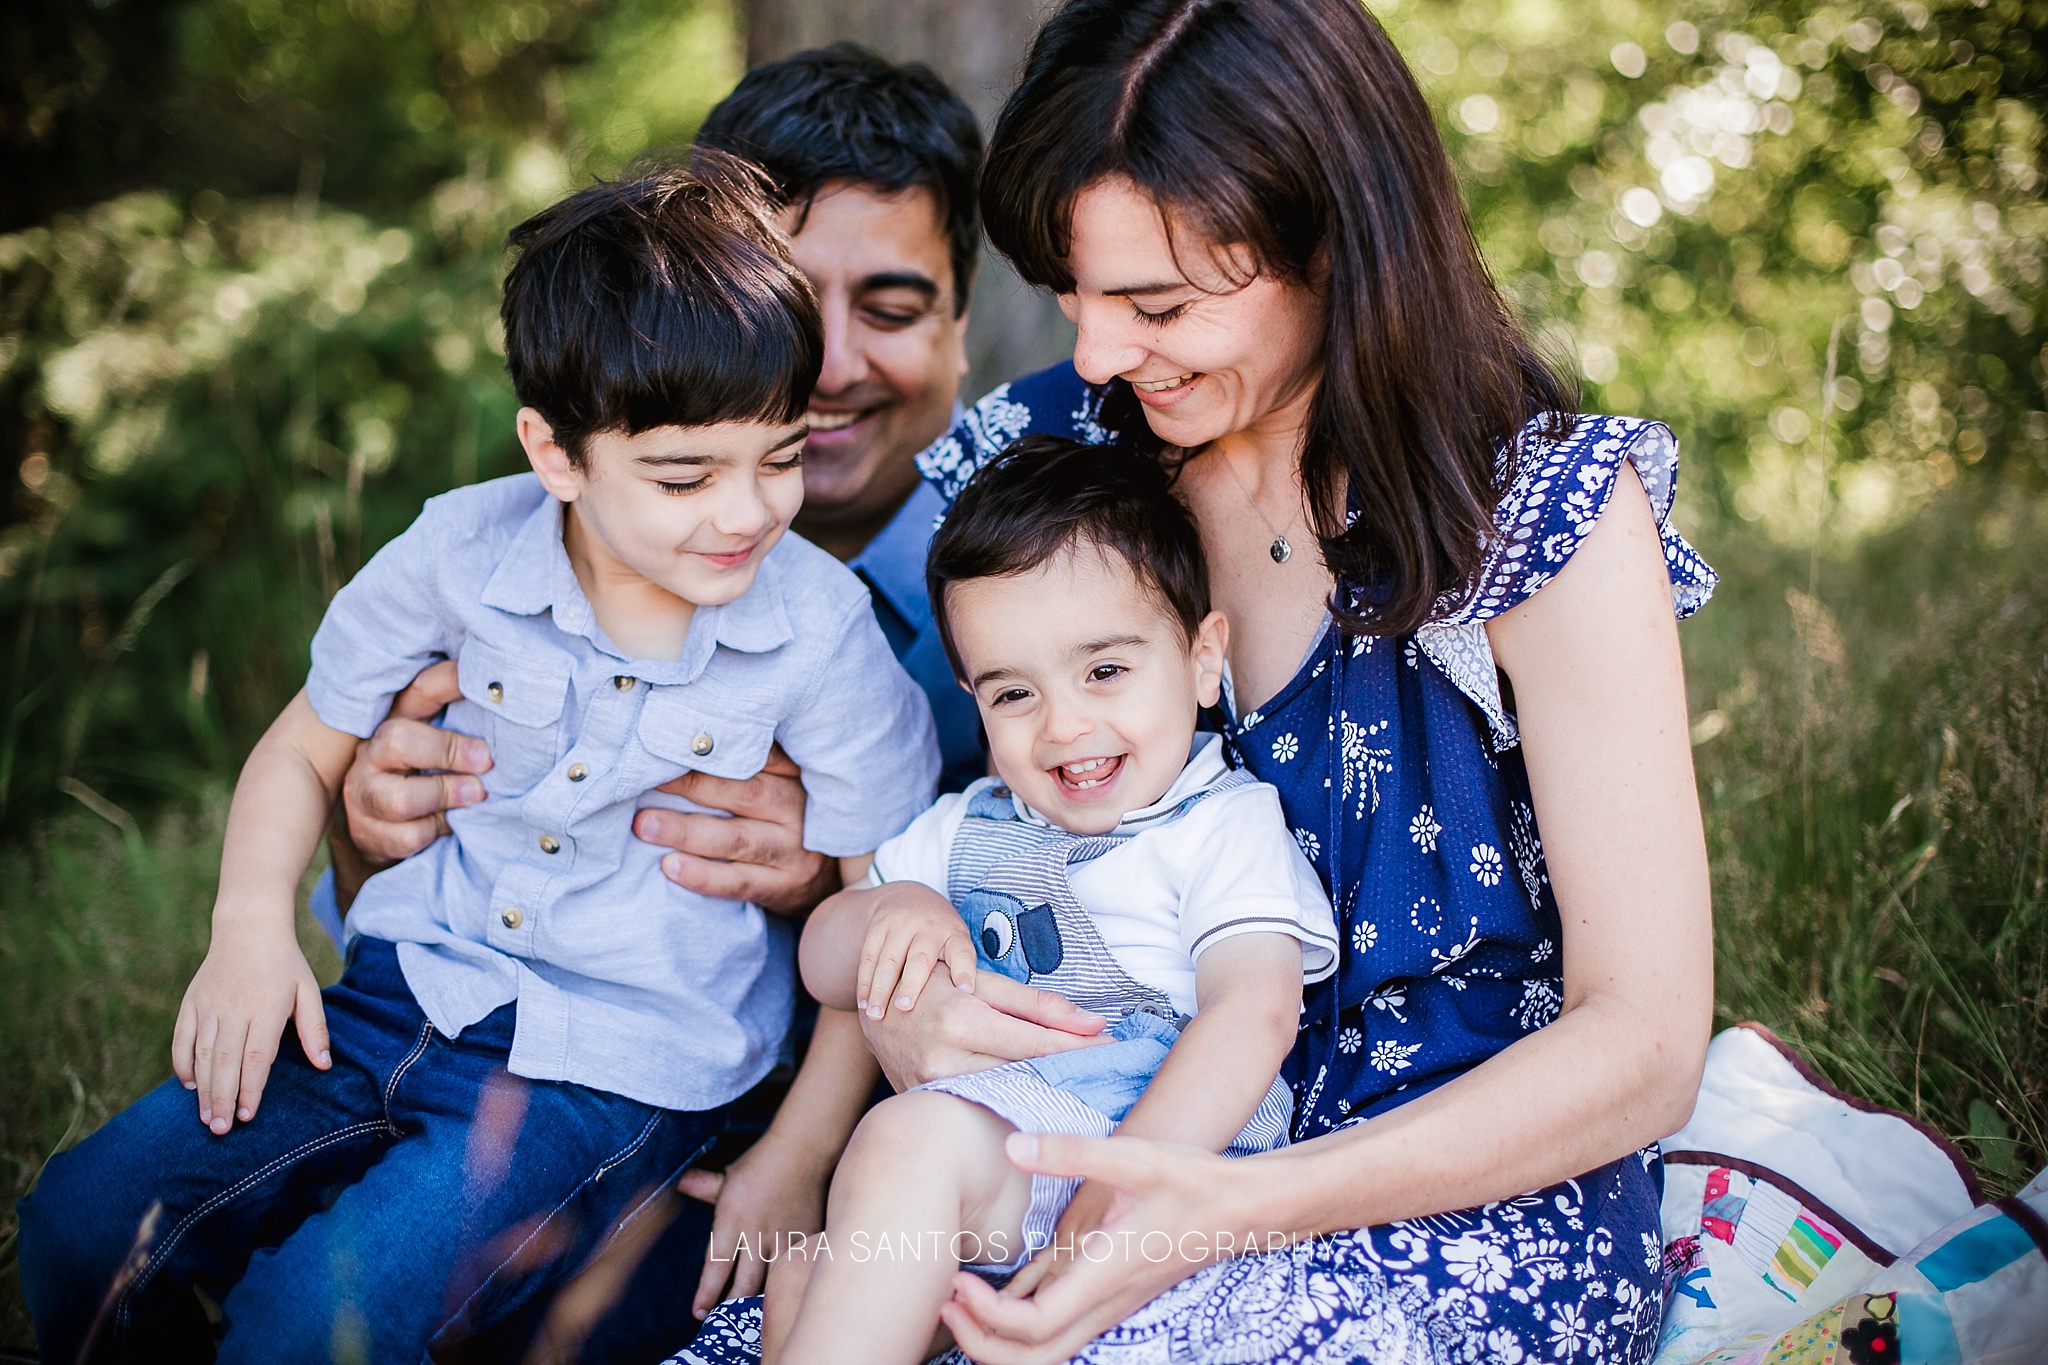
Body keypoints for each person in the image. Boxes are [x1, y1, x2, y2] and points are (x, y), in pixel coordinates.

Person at [682, 0, 1719, 1361]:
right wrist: (912, 992)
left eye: (1157, 303)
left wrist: (1219, 1210)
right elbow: (910, 811)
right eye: (1073, 293)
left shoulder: (1541, 515)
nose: (1101, 354)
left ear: (1338, 243)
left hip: (1444, 1194)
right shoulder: (1052, 452)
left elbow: (1642, 1044)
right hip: (1077, 1141)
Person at [14, 159, 938, 1364]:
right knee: (82, 1225)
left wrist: (794, 1158)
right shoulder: (459, 550)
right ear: (553, 454)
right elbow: (303, 746)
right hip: (400, 993)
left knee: (316, 1319)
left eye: (778, 457)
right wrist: (249, 932)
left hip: (611, 1069)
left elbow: (879, 917)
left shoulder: (816, 630)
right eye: (683, 475)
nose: (747, 512)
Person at [322, 45, 991, 961]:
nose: (827, 366)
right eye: (786, 315)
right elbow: (358, 895)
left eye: (889, 308)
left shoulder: (1051, 571)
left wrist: (832, 883)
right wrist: (364, 830)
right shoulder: (532, 545)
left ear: (959, 328)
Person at [761, 437, 1338, 1364]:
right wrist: (891, 909)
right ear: (973, 699)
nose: (1064, 724)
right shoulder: (963, 828)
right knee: (802, 1270)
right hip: (992, 1166)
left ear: (1200, 658)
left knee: (900, 1146)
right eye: (1015, 692)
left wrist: (1109, 1205)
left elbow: (1255, 1011)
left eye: (1105, 671)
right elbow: (824, 965)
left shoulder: (1220, 823)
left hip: (1153, 1153)